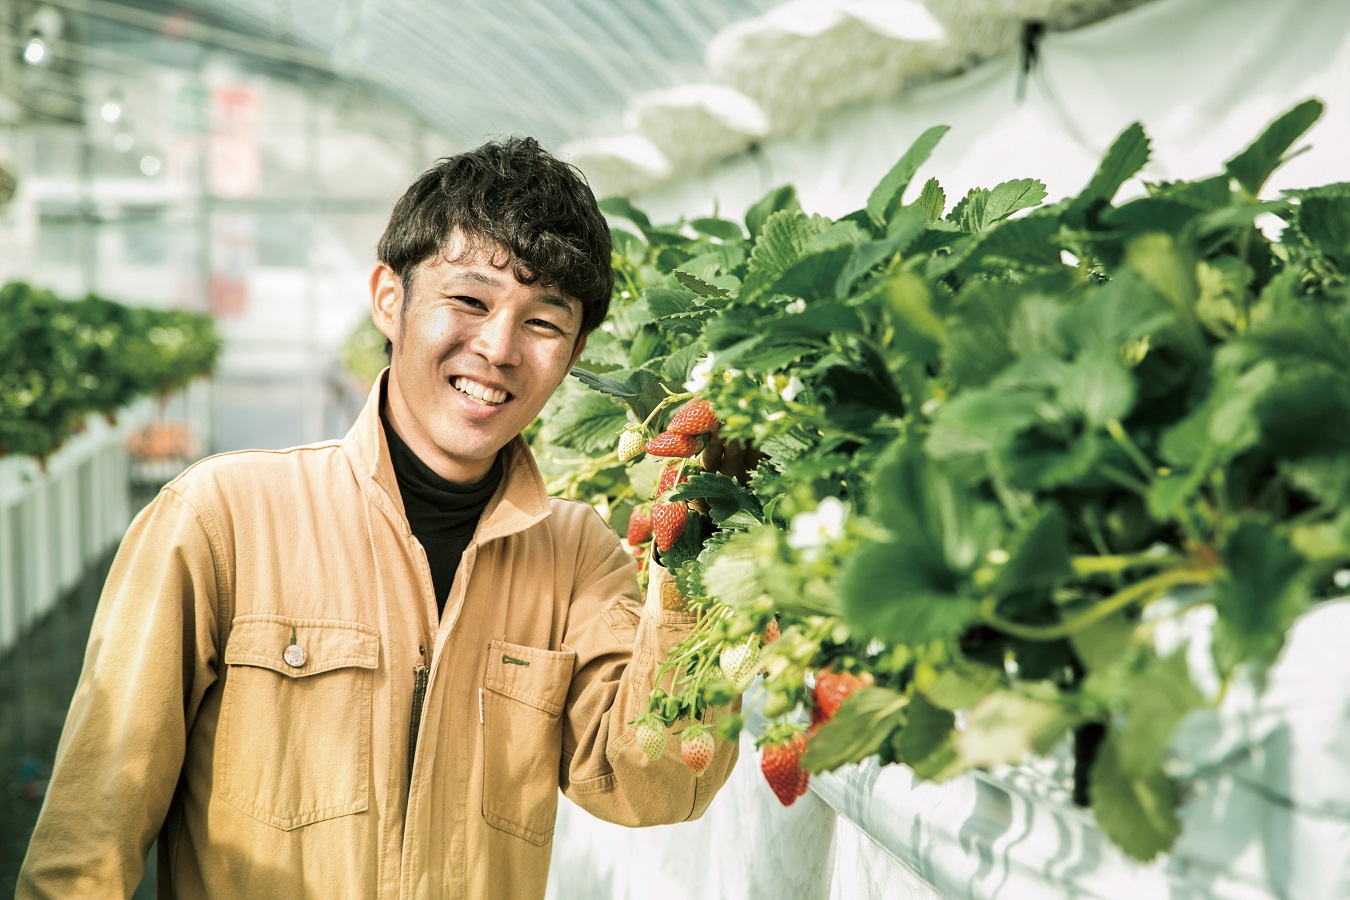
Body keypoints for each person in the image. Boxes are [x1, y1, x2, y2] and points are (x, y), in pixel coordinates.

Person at [18, 137, 741, 899]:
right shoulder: (221, 520)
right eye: (468, 300)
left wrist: (697, 547)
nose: (497, 347)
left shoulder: (577, 560)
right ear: (390, 299)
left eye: (543, 322)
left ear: (575, 351)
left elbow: (655, 785)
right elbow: (87, 847)